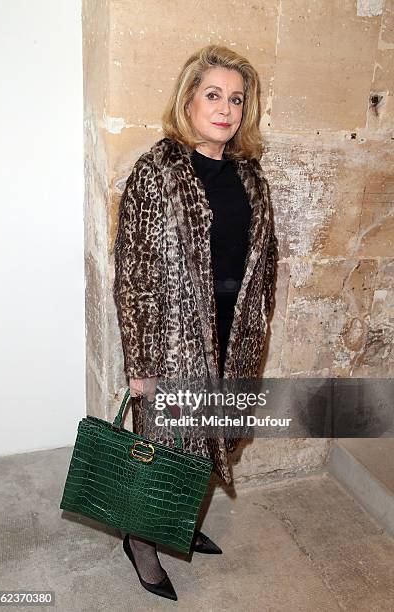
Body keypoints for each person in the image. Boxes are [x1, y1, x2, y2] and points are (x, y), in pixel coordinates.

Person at [113, 44, 278, 601]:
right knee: (166, 449)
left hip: (235, 339)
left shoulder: (250, 175)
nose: (226, 108)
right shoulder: (155, 173)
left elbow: (265, 256)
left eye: (236, 98)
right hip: (173, 344)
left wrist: (256, 322)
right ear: (188, 100)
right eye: (213, 94)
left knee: (212, 443)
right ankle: (141, 540)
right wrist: (140, 365)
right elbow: (131, 275)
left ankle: (175, 521)